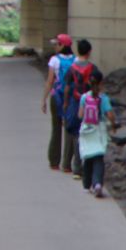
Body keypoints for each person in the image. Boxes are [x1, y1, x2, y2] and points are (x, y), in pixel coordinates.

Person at [76, 65, 113, 197]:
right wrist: (113, 124)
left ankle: (87, 185)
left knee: (88, 156)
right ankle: (97, 183)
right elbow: (109, 115)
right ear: (101, 83)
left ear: (88, 82)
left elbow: (80, 115)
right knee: (98, 157)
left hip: (86, 129)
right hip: (99, 129)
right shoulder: (104, 98)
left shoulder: (84, 97)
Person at [59, 37, 93, 177]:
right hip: (89, 104)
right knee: (87, 134)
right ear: (89, 52)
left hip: (74, 103)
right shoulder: (92, 68)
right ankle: (85, 166)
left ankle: (76, 167)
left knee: (74, 133)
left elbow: (67, 87)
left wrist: (65, 103)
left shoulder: (72, 68)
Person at [41, 33, 75, 172]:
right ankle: (67, 164)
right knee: (69, 129)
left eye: (57, 44)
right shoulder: (76, 60)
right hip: (71, 98)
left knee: (56, 129)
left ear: (62, 45)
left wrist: (44, 99)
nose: (55, 47)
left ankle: (54, 161)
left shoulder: (54, 60)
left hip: (57, 97)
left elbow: (50, 81)